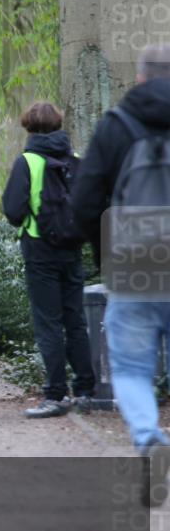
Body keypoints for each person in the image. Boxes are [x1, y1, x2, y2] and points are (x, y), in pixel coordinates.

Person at [71, 43, 170, 506]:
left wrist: (106, 252)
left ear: (141, 77)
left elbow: (84, 202)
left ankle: (149, 439)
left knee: (131, 368)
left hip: (134, 262)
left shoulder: (116, 125)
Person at [2, 101, 96, 418]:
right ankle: (85, 391)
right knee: (76, 320)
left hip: (39, 249)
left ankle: (56, 395)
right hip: (72, 249)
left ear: (29, 126)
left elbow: (13, 211)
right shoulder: (77, 160)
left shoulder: (27, 162)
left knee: (49, 324)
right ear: (58, 125)